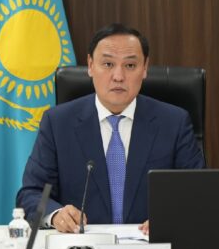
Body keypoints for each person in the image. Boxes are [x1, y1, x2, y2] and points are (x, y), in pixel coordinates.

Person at [17, 23, 205, 233]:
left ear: (145, 68)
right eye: (108, 64)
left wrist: (172, 217)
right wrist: (56, 215)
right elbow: (31, 193)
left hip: (149, 247)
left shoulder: (174, 123)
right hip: (82, 246)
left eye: (130, 65)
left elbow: (198, 193)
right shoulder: (58, 123)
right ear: (90, 65)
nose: (118, 76)